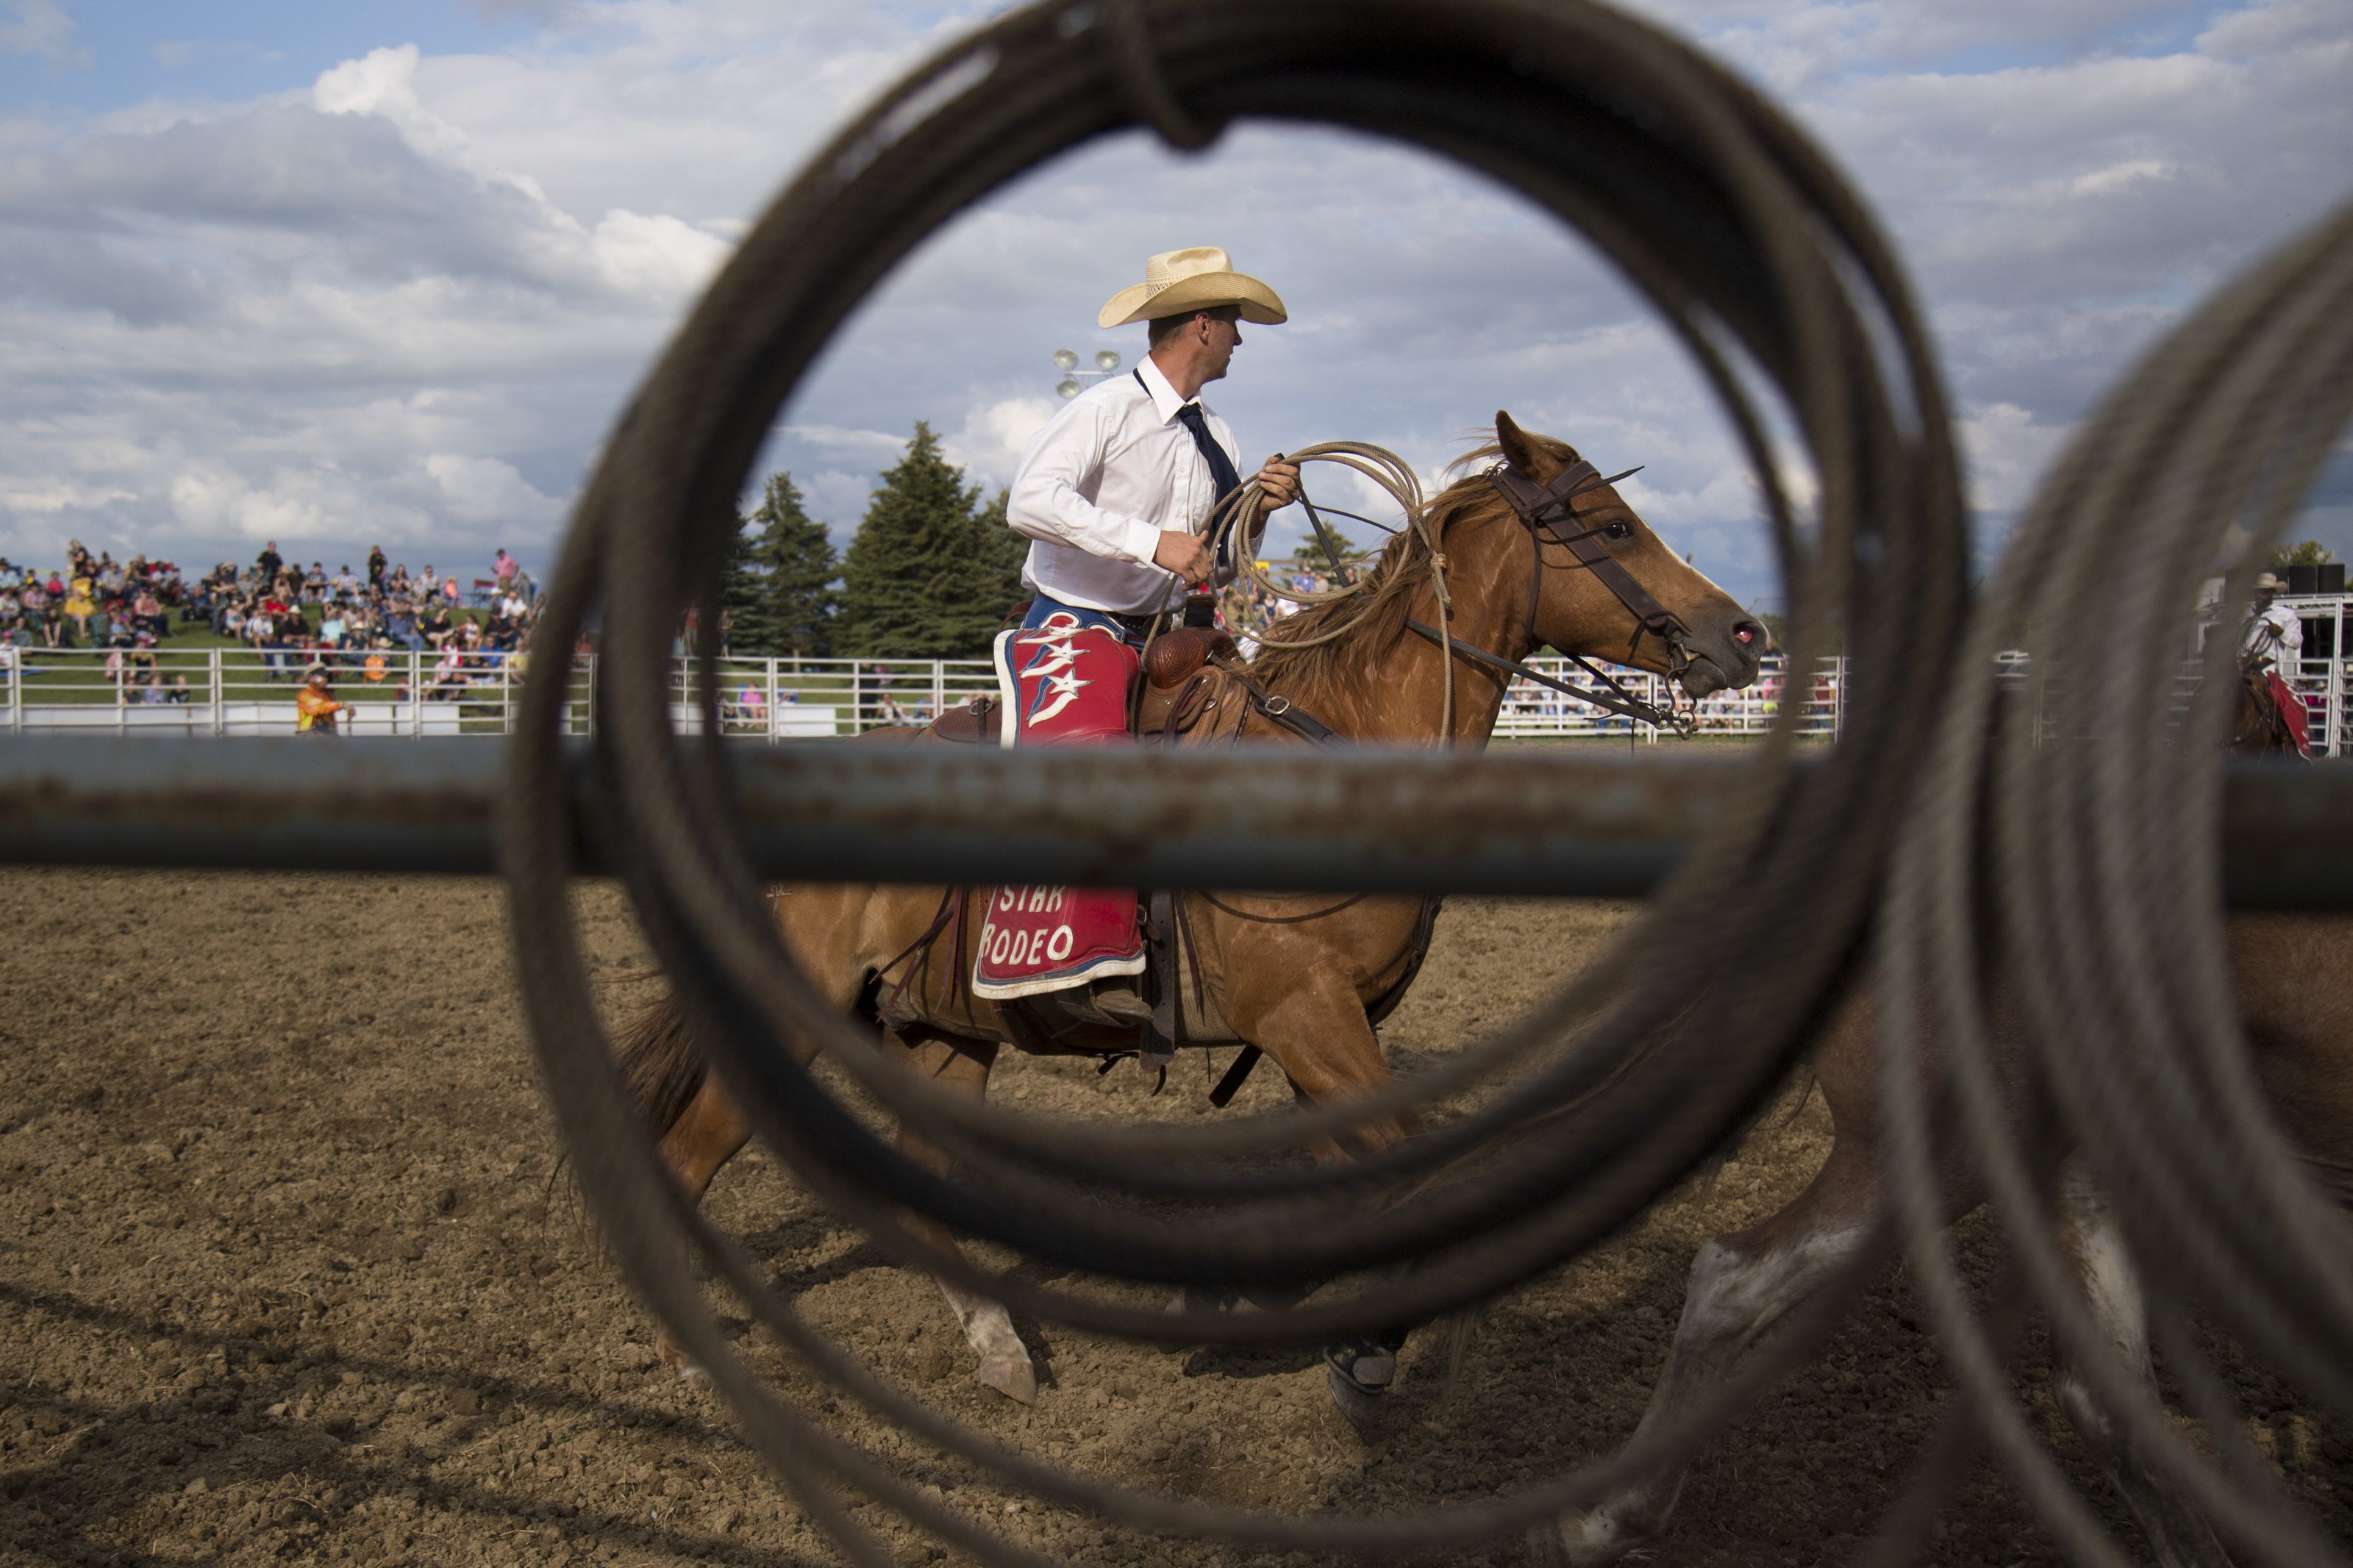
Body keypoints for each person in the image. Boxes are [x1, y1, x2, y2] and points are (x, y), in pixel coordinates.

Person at [981, 246, 1300, 1013]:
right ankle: (1079, 957)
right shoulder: (1102, 409)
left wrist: (1258, 509)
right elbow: (1029, 501)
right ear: (1200, 324)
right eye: (1231, 323)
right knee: (1093, 765)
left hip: (1166, 632)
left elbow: (1214, 561)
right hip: (1074, 626)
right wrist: (1145, 540)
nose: (1239, 339)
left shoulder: (1215, 435)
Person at [296, 667, 343, 735]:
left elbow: (330, 716)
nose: (325, 679)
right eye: (321, 677)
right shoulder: (304, 694)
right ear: (311, 678)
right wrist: (341, 705)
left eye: (326, 677)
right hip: (308, 733)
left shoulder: (328, 694)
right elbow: (319, 708)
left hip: (326, 732)